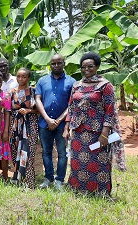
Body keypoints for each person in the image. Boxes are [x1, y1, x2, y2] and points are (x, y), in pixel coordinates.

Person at [63, 52, 126, 196]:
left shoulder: (105, 85)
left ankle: (100, 192)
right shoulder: (76, 85)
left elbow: (110, 110)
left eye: (90, 66)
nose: (86, 69)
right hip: (78, 131)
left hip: (97, 132)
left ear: (97, 66)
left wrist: (105, 133)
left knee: (100, 162)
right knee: (78, 161)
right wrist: (67, 127)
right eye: (83, 67)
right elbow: (71, 107)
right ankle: (78, 189)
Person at [35, 54, 76, 190]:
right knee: (46, 152)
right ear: (50, 65)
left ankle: (59, 180)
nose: (56, 66)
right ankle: (48, 178)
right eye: (53, 63)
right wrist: (47, 119)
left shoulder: (71, 82)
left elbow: (72, 104)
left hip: (62, 124)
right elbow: (38, 99)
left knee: (62, 153)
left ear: (64, 63)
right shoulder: (42, 80)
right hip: (44, 123)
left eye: (59, 63)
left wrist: (58, 121)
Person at [9, 68, 39, 189]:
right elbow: (8, 110)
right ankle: (18, 180)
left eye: (24, 76)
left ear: (28, 78)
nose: (21, 79)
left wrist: (29, 110)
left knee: (29, 151)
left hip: (30, 124)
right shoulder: (12, 92)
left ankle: (29, 182)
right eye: (19, 76)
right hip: (15, 124)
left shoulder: (33, 91)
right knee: (15, 150)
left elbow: (39, 110)